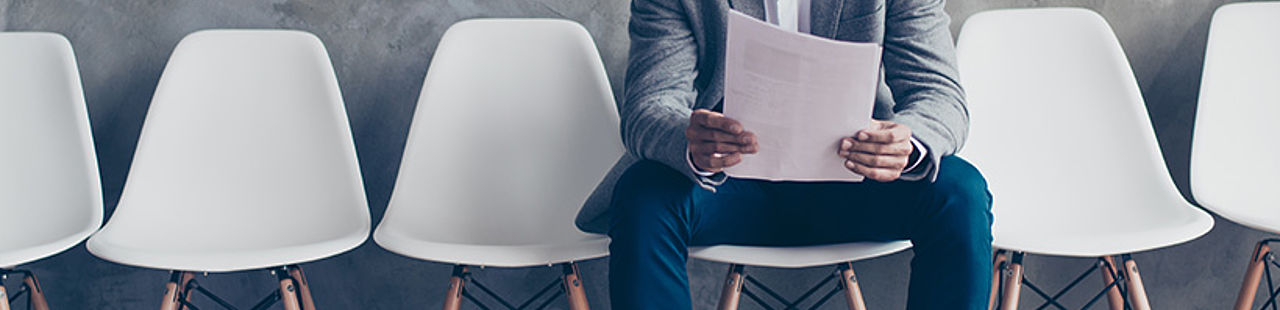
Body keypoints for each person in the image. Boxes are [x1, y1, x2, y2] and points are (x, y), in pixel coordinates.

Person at [575, 0, 992, 308]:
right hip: (729, 185)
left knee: (959, 190)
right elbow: (649, 104)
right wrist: (690, 137)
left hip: (854, 181)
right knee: (644, 193)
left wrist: (907, 143)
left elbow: (939, 95)